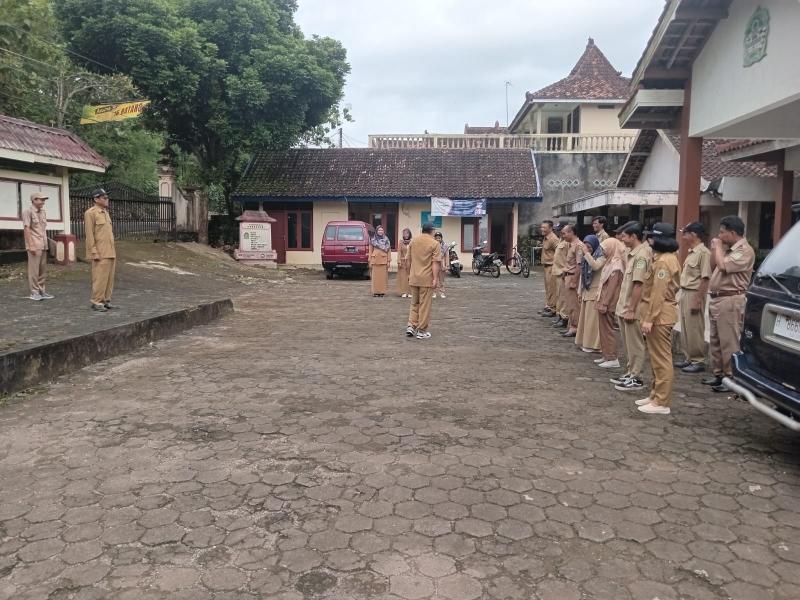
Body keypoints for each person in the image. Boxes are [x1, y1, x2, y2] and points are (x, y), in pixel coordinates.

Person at [702, 215, 755, 393]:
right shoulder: (727, 250)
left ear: (732, 233)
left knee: (728, 341)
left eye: (722, 232)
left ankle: (732, 378)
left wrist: (718, 247)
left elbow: (724, 266)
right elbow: (713, 266)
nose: (719, 236)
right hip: (718, 298)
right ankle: (719, 375)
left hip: (731, 299)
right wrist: (716, 249)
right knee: (716, 340)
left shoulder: (744, 251)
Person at [636, 223, 681, 415]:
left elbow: (658, 293)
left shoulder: (664, 261)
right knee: (656, 358)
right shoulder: (663, 258)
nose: (650, 241)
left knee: (662, 359)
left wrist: (650, 318)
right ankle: (655, 395)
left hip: (660, 315)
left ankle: (661, 401)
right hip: (658, 314)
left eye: (652, 237)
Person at [612, 221, 653, 392]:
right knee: (628, 344)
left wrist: (631, 309)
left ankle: (636, 377)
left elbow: (638, 284)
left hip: (633, 308)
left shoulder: (642, 255)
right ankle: (630, 372)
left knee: (635, 344)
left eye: (624, 236)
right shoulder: (633, 253)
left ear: (634, 236)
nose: (621, 239)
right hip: (625, 306)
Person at [675, 222, 712, 374]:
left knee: (695, 327)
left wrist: (698, 299)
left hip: (694, 293)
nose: (683, 236)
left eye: (685, 233)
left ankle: (698, 360)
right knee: (685, 327)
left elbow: (705, 278)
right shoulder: (692, 252)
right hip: (685, 292)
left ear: (694, 235)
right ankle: (688, 357)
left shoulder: (704, 253)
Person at [406, 222, 441, 339]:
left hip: (414, 277)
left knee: (414, 303)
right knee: (424, 305)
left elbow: (408, 260)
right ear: (432, 231)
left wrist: (409, 274)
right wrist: (435, 278)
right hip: (426, 279)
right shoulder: (435, 243)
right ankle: (421, 330)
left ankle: (411, 325)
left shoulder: (413, 241)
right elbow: (435, 263)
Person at [595, 237, 626, 368]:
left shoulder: (616, 265)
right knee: (603, 328)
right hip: (604, 299)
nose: (603, 251)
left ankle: (612, 357)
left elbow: (612, 287)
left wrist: (605, 303)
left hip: (609, 302)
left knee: (608, 329)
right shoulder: (610, 262)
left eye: (604, 249)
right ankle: (606, 354)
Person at [84, 188, 117, 312]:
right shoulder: (90, 213)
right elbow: (89, 234)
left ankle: (106, 300)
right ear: (96, 199)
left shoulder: (106, 213)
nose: (107, 199)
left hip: (110, 250)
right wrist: (93, 251)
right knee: (99, 278)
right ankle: (97, 301)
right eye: (104, 198)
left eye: (107, 197)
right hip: (100, 251)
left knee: (109, 278)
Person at [22, 192, 54, 301]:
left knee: (42, 270)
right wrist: (30, 245)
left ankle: (41, 290)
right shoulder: (28, 212)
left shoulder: (43, 212)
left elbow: (42, 229)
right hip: (34, 244)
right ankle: (34, 292)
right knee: (34, 270)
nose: (43, 202)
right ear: (34, 200)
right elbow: (26, 229)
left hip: (43, 244)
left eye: (44, 200)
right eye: (41, 199)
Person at [574, 234, 602, 353]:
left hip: (595, 292)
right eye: (585, 246)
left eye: (589, 246)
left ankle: (593, 345)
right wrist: (579, 291)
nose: (587, 248)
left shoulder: (601, 256)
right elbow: (583, 274)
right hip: (586, 291)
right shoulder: (586, 257)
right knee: (585, 320)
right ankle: (585, 342)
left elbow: (595, 266)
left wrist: (586, 253)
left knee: (592, 321)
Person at [559, 224, 581, 338]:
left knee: (574, 304)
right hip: (568, 276)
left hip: (572, 277)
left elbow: (579, 265)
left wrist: (574, 281)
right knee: (569, 304)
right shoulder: (571, 245)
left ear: (571, 232)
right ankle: (572, 325)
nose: (563, 236)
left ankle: (575, 327)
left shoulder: (578, 245)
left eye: (564, 233)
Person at [539, 220, 559, 317]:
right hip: (546, 266)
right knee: (548, 288)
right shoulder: (546, 238)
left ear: (550, 228)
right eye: (541, 227)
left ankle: (553, 308)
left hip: (551, 266)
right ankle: (548, 305)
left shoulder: (553, 238)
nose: (542, 229)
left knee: (552, 288)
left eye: (544, 227)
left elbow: (559, 252)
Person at [550, 226, 569, 328]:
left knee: (563, 297)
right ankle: (560, 315)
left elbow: (569, 258)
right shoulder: (560, 241)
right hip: (557, 272)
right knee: (559, 296)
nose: (557, 231)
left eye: (559, 230)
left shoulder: (567, 243)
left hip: (562, 272)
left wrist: (565, 270)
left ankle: (564, 317)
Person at [369, 225, 391, 297]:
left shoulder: (386, 239)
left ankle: (382, 292)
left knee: (382, 278)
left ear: (383, 231)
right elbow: (370, 251)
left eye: (381, 230)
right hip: (375, 260)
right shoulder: (373, 240)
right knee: (375, 278)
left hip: (383, 260)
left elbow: (389, 251)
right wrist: (370, 260)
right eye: (379, 230)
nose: (380, 231)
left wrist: (388, 261)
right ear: (376, 231)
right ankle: (375, 292)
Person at [396, 228, 412, 298]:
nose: (406, 235)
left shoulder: (412, 242)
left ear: (409, 234)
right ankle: (403, 292)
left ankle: (410, 292)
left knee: (410, 277)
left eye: (407, 233)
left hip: (410, 262)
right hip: (403, 262)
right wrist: (398, 261)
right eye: (404, 233)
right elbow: (399, 252)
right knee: (403, 278)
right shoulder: (401, 242)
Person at [433, 231, 448, 299]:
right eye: (436, 238)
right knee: (434, 279)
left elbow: (447, 256)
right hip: (434, 263)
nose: (438, 239)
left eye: (439, 238)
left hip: (442, 263)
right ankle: (434, 292)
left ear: (441, 238)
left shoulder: (445, 246)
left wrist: (447, 265)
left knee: (441, 280)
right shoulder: (432, 245)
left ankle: (442, 292)